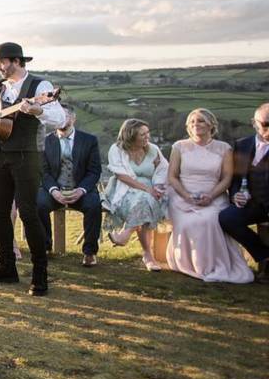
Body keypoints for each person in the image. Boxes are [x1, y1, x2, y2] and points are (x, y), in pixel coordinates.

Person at [0, 42, 66, 296]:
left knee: (28, 212)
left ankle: (40, 274)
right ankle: (7, 266)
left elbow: (59, 118)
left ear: (17, 61)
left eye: (2, 62)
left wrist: (38, 109)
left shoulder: (40, 87)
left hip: (26, 156)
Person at [165, 109, 252, 283]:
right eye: (192, 122)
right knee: (189, 222)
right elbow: (172, 176)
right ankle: (189, 264)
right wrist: (186, 195)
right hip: (182, 196)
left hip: (214, 195)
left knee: (210, 219)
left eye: (201, 121)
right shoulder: (179, 147)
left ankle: (213, 265)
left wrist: (211, 196)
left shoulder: (224, 148)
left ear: (211, 124)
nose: (196, 125)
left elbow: (227, 177)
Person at [36, 106, 103, 266]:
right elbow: (43, 172)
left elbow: (94, 171)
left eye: (64, 116)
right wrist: (53, 190)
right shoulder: (46, 141)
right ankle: (45, 247)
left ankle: (89, 252)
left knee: (94, 206)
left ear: (73, 119)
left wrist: (81, 190)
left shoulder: (89, 141)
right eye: (57, 116)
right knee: (39, 204)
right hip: (55, 189)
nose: (60, 119)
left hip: (80, 189)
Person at [102, 118, 169, 271]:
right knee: (145, 200)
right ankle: (148, 255)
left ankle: (126, 233)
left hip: (151, 190)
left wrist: (157, 186)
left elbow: (163, 169)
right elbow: (121, 176)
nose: (147, 137)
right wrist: (147, 189)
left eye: (147, 133)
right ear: (131, 136)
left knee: (145, 201)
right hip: (124, 189)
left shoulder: (153, 149)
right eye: (142, 135)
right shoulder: (116, 149)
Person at [219, 102, 269, 279]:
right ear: (254, 123)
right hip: (253, 205)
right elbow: (235, 179)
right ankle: (264, 254)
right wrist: (235, 195)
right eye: (266, 124)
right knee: (226, 217)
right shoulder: (242, 145)